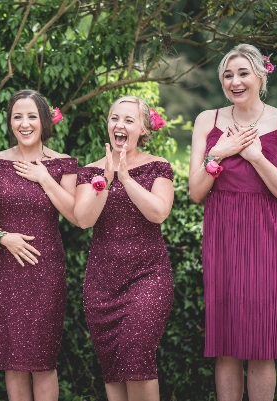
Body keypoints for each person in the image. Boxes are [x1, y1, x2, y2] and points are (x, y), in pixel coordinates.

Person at [189, 44, 277, 401]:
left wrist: (255, 157)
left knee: (260, 343)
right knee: (225, 343)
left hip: (267, 236)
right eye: (228, 75)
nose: (235, 82)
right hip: (222, 232)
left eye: (243, 73)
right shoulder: (207, 120)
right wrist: (217, 154)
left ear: (261, 75)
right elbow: (195, 192)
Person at [0, 90, 77, 400]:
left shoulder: (64, 164)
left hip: (45, 271)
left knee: (43, 362)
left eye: (32, 116)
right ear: (9, 122)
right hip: (3, 270)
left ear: (44, 121)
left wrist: (45, 178)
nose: (24, 123)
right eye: (17, 116)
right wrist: (3, 237)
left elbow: (73, 214)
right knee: (13, 362)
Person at [74, 96, 174, 401]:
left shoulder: (159, 167)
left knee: (136, 357)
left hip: (148, 278)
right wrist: (104, 179)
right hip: (102, 284)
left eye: (129, 120)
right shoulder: (90, 171)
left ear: (143, 129)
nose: (120, 125)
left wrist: (126, 177)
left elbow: (158, 212)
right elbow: (83, 219)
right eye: (114, 118)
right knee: (114, 369)